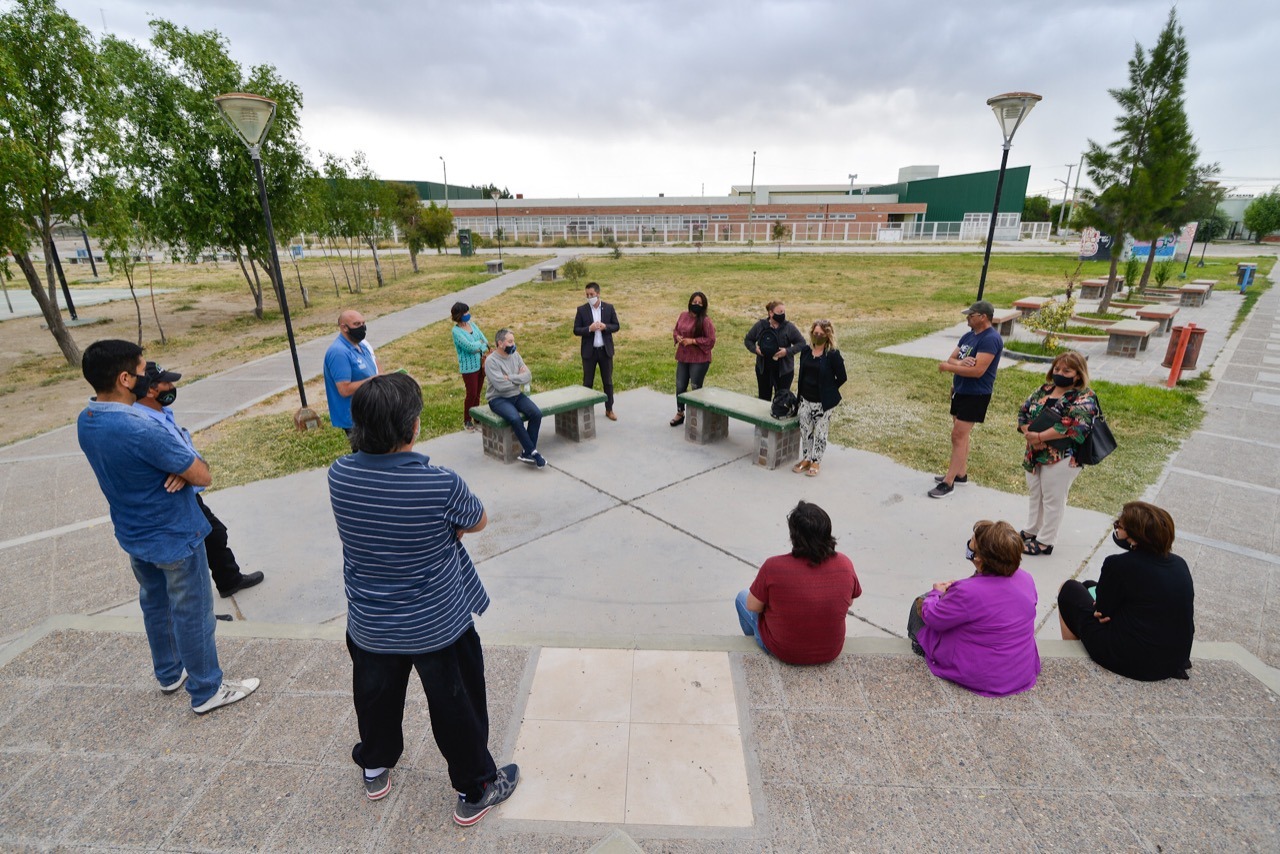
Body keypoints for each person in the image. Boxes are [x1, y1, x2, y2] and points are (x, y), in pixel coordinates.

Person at [328, 373, 519, 824]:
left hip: (371, 622)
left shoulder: (339, 474)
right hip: (438, 624)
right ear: (411, 428)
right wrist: (443, 527)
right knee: (456, 705)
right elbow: (478, 520)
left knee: (375, 699)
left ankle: (374, 766)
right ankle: (476, 787)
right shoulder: (439, 484)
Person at [76, 340, 259, 714]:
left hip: (133, 534)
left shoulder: (87, 419)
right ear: (125, 379)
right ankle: (207, 688)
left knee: (156, 605)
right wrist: (182, 468)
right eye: (144, 371)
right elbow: (202, 473)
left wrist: (177, 469)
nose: (149, 377)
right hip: (175, 535)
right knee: (192, 612)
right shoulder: (141, 428)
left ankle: (168, 673)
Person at [135, 361, 265, 598]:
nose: (172, 387)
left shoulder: (161, 413)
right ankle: (212, 591)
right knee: (202, 542)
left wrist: (187, 471)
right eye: (167, 383)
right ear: (152, 389)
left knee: (214, 534)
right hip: (175, 497)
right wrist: (185, 472)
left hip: (188, 490)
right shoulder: (146, 424)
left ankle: (228, 580)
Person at [1058, 502, 1194, 681]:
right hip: (1174, 658)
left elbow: (1102, 611)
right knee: (1088, 585)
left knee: (1068, 590)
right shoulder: (1179, 564)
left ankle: (1072, 659)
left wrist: (1103, 610)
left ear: (1134, 536)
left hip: (1135, 661)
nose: (1116, 528)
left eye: (1119, 525)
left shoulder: (1118, 564)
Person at [906, 519, 1039, 697]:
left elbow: (933, 618)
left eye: (972, 543)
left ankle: (921, 647)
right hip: (1021, 671)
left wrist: (936, 593)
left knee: (920, 603)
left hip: (985, 676)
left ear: (979, 558)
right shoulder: (1026, 579)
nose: (969, 545)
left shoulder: (967, 591)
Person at [735, 501, 862, 665]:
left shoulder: (773, 567)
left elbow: (752, 606)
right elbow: (849, 601)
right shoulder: (845, 564)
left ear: (794, 536)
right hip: (831, 650)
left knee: (741, 598)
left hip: (785, 652)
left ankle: (757, 650)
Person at [1016, 351, 1099, 556]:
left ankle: (1045, 541)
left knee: (1053, 499)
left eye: (1066, 370)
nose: (1059, 372)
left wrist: (1041, 436)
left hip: (1062, 457)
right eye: (1057, 368)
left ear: (1078, 374)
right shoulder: (1043, 390)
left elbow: (1077, 427)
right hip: (1034, 454)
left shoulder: (1085, 397)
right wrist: (1028, 432)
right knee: (1036, 494)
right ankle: (1032, 529)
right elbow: (1024, 412)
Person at [929, 300, 1004, 498]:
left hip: (976, 393)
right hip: (961, 390)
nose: (967, 318)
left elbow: (978, 371)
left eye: (971, 315)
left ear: (983, 317)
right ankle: (960, 474)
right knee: (961, 436)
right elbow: (952, 357)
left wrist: (949, 368)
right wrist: (960, 363)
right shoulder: (968, 336)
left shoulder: (990, 339)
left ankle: (949, 481)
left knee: (957, 435)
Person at [792, 319, 847, 478]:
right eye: (815, 333)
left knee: (821, 433)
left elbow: (842, 377)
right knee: (805, 430)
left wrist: (829, 389)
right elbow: (802, 374)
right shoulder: (806, 351)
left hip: (823, 403)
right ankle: (807, 458)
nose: (818, 336)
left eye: (821, 334)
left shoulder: (833, 355)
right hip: (806, 400)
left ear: (828, 336)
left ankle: (816, 461)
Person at [485, 328, 546, 468]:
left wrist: (510, 378)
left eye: (513, 341)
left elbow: (528, 376)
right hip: (498, 399)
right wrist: (518, 379)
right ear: (500, 343)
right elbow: (500, 386)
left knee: (536, 414)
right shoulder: (491, 361)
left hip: (516, 395)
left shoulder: (516, 355)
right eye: (510, 341)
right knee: (515, 419)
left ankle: (526, 452)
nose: (513, 344)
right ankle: (533, 452)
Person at [323, 309, 379, 436]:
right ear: (344, 327)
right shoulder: (339, 353)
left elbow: (374, 362)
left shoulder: (360, 345)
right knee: (366, 454)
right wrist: (374, 380)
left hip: (371, 411)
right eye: (357, 324)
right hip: (355, 419)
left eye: (363, 323)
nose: (362, 327)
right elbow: (344, 389)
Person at [573, 281, 620, 420]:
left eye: (592, 294)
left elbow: (616, 325)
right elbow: (576, 330)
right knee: (588, 382)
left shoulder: (609, 308)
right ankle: (586, 410)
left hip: (605, 351)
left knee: (608, 381)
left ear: (598, 294)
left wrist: (606, 327)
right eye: (587, 295)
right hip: (589, 352)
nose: (589, 297)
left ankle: (609, 409)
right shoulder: (581, 310)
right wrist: (589, 329)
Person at [743, 300, 806, 402]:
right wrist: (755, 349)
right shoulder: (760, 325)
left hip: (784, 371)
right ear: (771, 313)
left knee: (782, 400)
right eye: (780, 312)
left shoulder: (789, 327)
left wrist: (787, 351)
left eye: (783, 312)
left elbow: (802, 343)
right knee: (763, 399)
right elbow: (748, 340)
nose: (782, 315)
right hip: (763, 370)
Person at [670, 291, 716, 426]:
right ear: (690, 302)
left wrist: (692, 341)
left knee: (695, 387)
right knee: (680, 385)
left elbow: (711, 340)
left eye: (700, 303)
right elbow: (676, 330)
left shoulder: (706, 321)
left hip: (699, 359)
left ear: (704, 306)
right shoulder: (683, 315)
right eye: (694, 302)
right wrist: (677, 336)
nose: (696, 304)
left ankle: (696, 416)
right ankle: (680, 412)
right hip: (683, 356)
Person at [451, 302, 490, 432]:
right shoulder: (456, 331)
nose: (468, 315)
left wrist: (479, 345)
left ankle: (477, 417)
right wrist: (479, 345)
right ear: (459, 315)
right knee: (471, 393)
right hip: (468, 368)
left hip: (480, 364)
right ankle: (467, 420)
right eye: (465, 313)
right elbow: (468, 347)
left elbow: (485, 341)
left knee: (478, 393)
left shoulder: (472, 325)